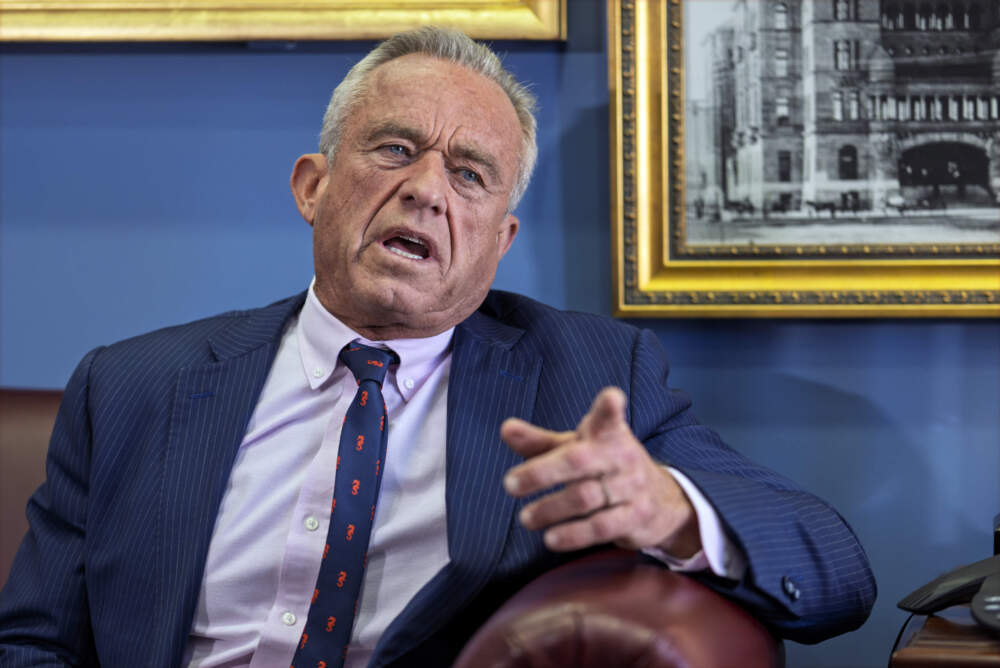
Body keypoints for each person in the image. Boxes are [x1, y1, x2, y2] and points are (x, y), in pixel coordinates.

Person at [0, 27, 875, 667]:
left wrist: (667, 511)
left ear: (500, 240)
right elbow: (36, 640)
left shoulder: (586, 376)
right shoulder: (130, 386)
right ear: (313, 186)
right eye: (394, 149)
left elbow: (834, 568)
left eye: (469, 174)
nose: (426, 192)